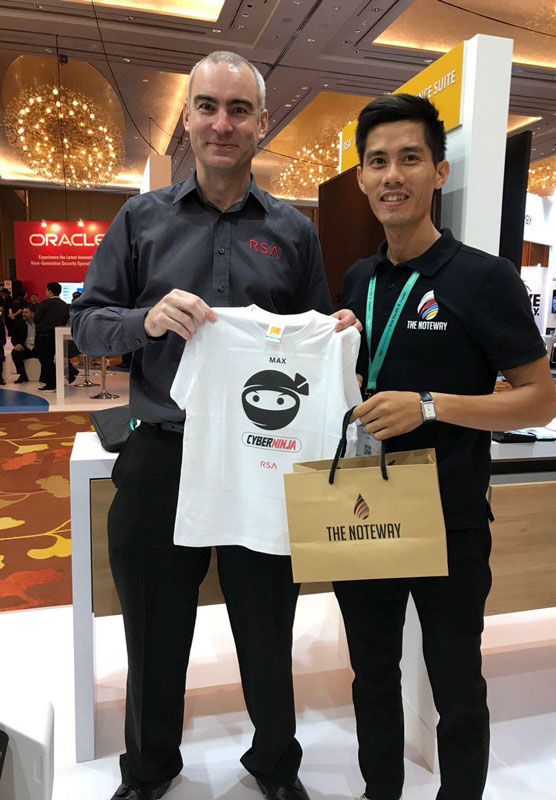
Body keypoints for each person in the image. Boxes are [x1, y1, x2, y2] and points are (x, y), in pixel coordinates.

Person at [71, 51, 358, 800]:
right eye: (207, 107)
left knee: (268, 625)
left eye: (238, 110)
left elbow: (314, 333)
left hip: (265, 460)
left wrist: (335, 332)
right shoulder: (141, 220)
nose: (221, 123)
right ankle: (148, 770)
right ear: (187, 120)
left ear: (263, 123)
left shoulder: (294, 232)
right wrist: (144, 318)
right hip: (163, 453)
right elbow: (86, 330)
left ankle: (275, 764)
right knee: (154, 629)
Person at [333, 94, 556, 800]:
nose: (391, 175)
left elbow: (539, 398)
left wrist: (430, 406)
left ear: (438, 172)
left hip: (450, 515)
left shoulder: (483, 278)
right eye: (377, 161)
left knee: (456, 681)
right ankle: (381, 792)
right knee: (370, 672)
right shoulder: (359, 280)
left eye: (409, 158)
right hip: (365, 506)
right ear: (362, 178)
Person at [34, 281, 78, 390]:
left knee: (46, 360)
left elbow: (36, 319)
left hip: (44, 335)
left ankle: (51, 383)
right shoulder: (65, 305)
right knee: (56, 357)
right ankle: (70, 372)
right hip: (58, 335)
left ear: (49, 291)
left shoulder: (44, 303)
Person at [11, 305, 39, 383]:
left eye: (26, 312)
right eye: (23, 312)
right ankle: (22, 375)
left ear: (33, 314)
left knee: (47, 354)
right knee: (15, 353)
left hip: (37, 348)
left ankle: (44, 375)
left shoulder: (39, 324)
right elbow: (14, 336)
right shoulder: (19, 323)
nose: (23, 314)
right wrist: (16, 344)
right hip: (25, 348)